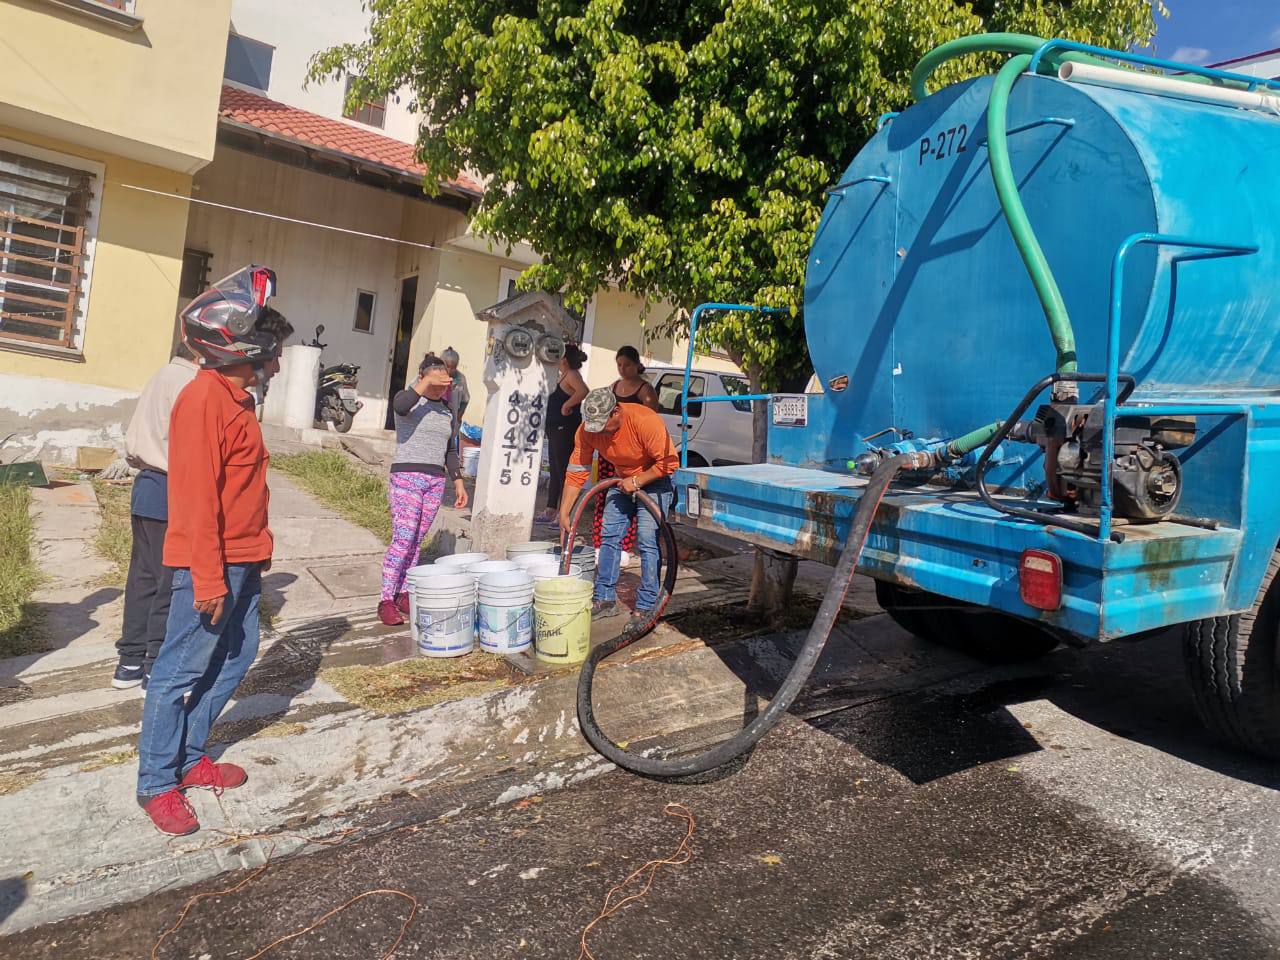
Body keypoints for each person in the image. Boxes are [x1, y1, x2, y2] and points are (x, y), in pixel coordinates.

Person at [136, 266, 289, 836]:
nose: (276, 363)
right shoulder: (204, 400)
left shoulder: (238, 398)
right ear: (242, 349)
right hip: (212, 562)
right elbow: (197, 502)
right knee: (178, 671)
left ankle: (188, 754)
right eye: (270, 353)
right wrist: (207, 579)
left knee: (238, 653)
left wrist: (258, 550)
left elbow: (244, 490)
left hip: (244, 556)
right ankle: (156, 782)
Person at [111, 341, 199, 690]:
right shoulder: (189, 383)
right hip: (171, 487)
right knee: (170, 582)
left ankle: (129, 662)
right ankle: (154, 663)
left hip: (146, 484)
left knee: (142, 578)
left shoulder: (160, 375)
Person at [560, 386, 678, 622]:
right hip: (623, 480)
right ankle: (604, 599)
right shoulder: (589, 429)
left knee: (647, 539)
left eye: (603, 426)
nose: (599, 432)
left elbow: (669, 462)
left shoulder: (644, 420)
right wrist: (564, 512)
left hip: (655, 479)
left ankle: (646, 605)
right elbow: (577, 470)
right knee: (609, 535)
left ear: (615, 412)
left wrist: (637, 481)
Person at [379, 353, 469, 626]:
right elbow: (402, 403)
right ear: (423, 377)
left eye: (446, 381)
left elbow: (450, 448)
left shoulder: (446, 410)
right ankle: (385, 599)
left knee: (417, 540)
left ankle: (404, 592)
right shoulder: (408, 402)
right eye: (437, 379)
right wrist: (425, 381)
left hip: (434, 481)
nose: (443, 385)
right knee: (403, 539)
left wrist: (458, 480)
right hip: (407, 476)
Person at [591, 346, 658, 557]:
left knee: (629, 497)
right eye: (619, 364)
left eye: (627, 364)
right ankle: (600, 541)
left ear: (637, 365)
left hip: (633, 453)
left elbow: (650, 422)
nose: (622, 369)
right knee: (605, 494)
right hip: (609, 451)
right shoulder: (613, 387)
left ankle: (624, 547)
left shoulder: (646, 391)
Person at [538, 343, 590, 524]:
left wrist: (567, 406)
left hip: (565, 429)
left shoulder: (573, 375)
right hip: (554, 429)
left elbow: (583, 391)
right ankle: (551, 508)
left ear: (565, 359)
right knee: (554, 470)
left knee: (563, 471)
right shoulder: (563, 376)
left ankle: (563, 512)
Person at [441, 345, 470, 422]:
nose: (449, 370)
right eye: (447, 366)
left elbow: (465, 400)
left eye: (453, 367)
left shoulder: (460, 378)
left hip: (451, 417)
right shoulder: (434, 374)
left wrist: (458, 417)